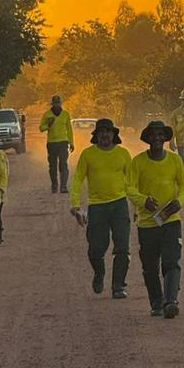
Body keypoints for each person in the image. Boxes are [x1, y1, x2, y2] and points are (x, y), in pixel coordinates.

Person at [130, 121, 184, 317]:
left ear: (165, 138)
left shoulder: (175, 160)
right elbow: (129, 188)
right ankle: (156, 302)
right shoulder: (137, 162)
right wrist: (143, 201)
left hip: (171, 221)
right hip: (147, 223)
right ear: (147, 138)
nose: (156, 138)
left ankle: (171, 301)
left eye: (160, 134)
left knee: (172, 262)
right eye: (153, 135)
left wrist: (179, 202)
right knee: (150, 267)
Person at [70, 119, 135, 299]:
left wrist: (137, 206)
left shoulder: (123, 154)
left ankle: (118, 286)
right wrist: (76, 205)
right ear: (96, 135)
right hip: (97, 207)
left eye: (108, 132)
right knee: (96, 250)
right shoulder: (88, 155)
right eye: (101, 132)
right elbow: (78, 180)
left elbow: (132, 182)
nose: (105, 135)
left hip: (119, 204)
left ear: (114, 135)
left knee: (122, 247)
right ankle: (99, 273)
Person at [39, 95, 74, 194]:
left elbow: (69, 130)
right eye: (55, 103)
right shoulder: (47, 114)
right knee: (53, 166)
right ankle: (54, 185)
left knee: (63, 164)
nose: (57, 105)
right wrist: (48, 124)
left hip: (63, 142)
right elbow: (41, 128)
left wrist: (71, 143)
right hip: (51, 143)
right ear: (52, 104)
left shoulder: (66, 114)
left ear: (61, 103)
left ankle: (63, 186)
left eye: (58, 103)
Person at [170, 89, 184, 167]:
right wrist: (171, 141)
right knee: (182, 162)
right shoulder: (176, 113)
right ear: (181, 100)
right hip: (181, 142)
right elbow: (173, 128)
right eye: (183, 100)